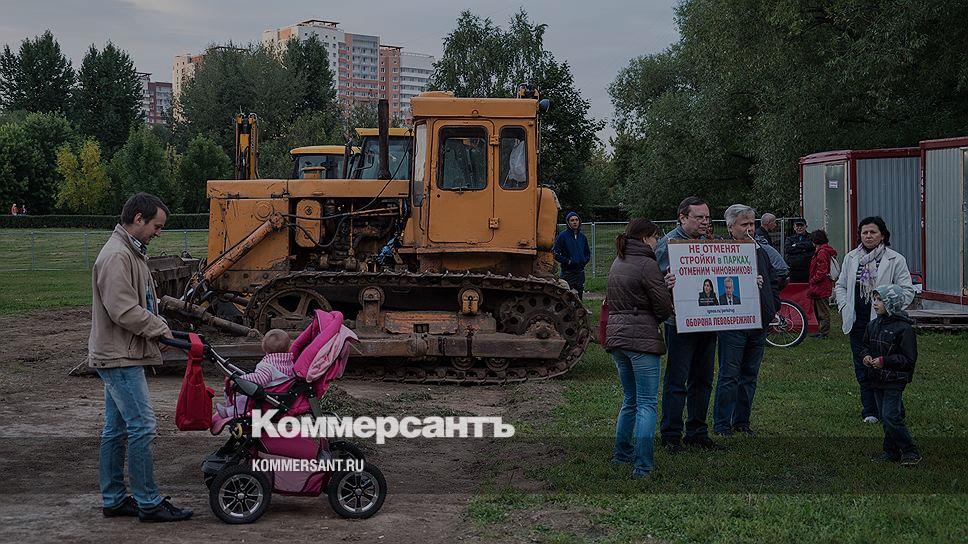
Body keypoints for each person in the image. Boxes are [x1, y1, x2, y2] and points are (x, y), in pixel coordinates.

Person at [88, 192, 192, 522]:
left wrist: (156, 329)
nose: (158, 232)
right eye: (156, 226)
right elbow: (123, 310)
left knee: (116, 430)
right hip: (119, 356)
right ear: (138, 219)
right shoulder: (117, 256)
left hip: (121, 351)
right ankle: (149, 502)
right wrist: (159, 329)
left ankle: (114, 498)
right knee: (143, 427)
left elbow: (140, 302)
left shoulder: (130, 252)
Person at [604, 219, 673, 478]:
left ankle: (622, 453)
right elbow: (662, 307)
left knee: (630, 400)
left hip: (617, 338)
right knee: (647, 404)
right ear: (645, 238)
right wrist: (666, 291)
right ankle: (643, 465)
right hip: (641, 340)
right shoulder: (647, 264)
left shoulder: (618, 261)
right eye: (655, 237)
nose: (657, 242)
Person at [655, 196, 723, 452]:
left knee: (703, 379)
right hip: (679, 324)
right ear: (682, 218)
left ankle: (697, 431)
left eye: (707, 217)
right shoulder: (667, 245)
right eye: (699, 217)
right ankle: (671, 435)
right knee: (677, 380)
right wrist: (665, 285)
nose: (705, 222)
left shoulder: (709, 244)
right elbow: (653, 283)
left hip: (708, 321)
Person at [834, 216, 915, 424]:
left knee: (885, 367)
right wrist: (844, 306)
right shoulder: (852, 258)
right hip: (857, 322)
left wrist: (890, 310)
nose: (868, 236)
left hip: (884, 324)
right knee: (863, 366)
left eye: (873, 232)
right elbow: (840, 285)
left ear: (883, 236)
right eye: (864, 232)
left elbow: (907, 290)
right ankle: (870, 410)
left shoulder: (895, 259)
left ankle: (892, 409)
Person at [712, 204, 780, 437]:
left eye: (752, 223)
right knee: (729, 375)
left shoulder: (759, 250)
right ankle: (722, 424)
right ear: (731, 227)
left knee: (749, 374)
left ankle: (742, 421)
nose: (749, 228)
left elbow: (773, 278)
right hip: (733, 323)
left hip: (758, 321)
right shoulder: (720, 251)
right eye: (744, 224)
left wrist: (772, 304)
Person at [861, 285, 921, 466]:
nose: (875, 303)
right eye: (874, 299)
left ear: (892, 303)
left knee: (890, 416)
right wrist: (866, 356)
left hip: (895, 379)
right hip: (877, 378)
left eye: (880, 300)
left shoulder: (904, 329)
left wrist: (884, 361)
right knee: (886, 417)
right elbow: (865, 346)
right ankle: (891, 452)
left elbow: (909, 359)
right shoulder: (873, 325)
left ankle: (910, 451)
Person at [216, 329, 294, 418]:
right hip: (280, 393)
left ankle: (228, 412)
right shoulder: (289, 362)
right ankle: (232, 404)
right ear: (289, 347)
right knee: (242, 399)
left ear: (264, 347)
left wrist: (240, 379)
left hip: (267, 396)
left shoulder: (268, 365)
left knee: (245, 399)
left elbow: (260, 379)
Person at [552, 211, 591, 299]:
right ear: (568, 222)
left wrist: (583, 261)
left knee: (579, 297)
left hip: (580, 272)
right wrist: (568, 261)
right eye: (572, 220)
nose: (574, 222)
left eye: (576, 220)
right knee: (566, 297)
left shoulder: (582, 237)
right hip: (568, 273)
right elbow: (555, 253)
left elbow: (587, 253)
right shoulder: (562, 236)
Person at [807, 229, 837, 339]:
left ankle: (824, 332)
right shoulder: (823, 251)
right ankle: (821, 330)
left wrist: (814, 280)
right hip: (821, 285)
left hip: (820, 285)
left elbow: (822, 270)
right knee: (819, 309)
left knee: (822, 310)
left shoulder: (821, 252)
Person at [784, 218, 815, 283]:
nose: (799, 228)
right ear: (794, 227)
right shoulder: (790, 239)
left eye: (801, 226)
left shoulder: (811, 237)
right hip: (794, 270)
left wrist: (796, 245)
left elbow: (812, 245)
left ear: (806, 226)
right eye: (797, 226)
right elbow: (788, 249)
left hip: (808, 269)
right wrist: (804, 248)